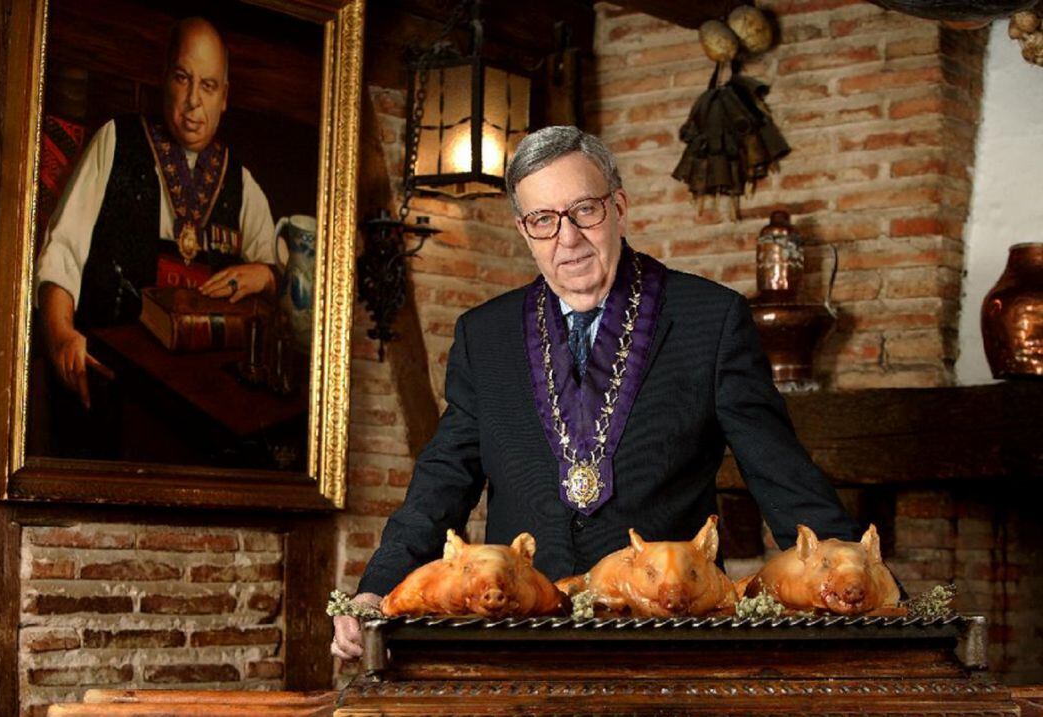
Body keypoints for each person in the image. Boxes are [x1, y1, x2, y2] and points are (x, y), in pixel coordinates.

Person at [331, 126, 860, 660]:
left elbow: (780, 472)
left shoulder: (711, 319)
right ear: (523, 228)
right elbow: (446, 476)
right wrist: (379, 586)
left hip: (667, 634)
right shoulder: (483, 335)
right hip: (517, 629)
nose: (567, 237)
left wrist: (860, 578)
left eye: (584, 209)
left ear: (619, 206)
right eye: (543, 219)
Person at [35, 17, 277, 410]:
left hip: (199, 398)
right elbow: (62, 251)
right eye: (183, 78)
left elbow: (282, 275)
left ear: (225, 96)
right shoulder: (115, 140)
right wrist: (61, 333)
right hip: (109, 382)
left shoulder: (241, 182)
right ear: (165, 79)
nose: (194, 100)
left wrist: (267, 275)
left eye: (209, 86)